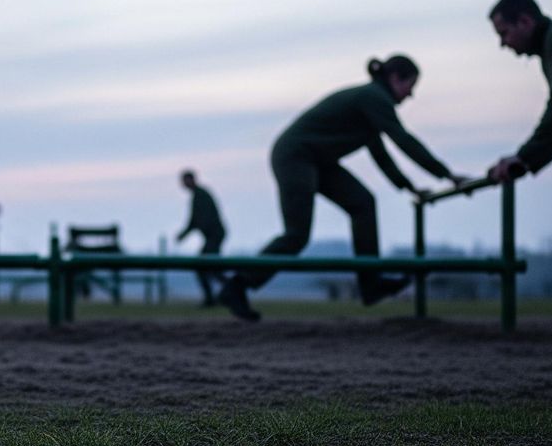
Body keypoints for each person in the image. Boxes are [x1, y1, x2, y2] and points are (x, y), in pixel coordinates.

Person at [219, 54, 466, 322]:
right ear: (395, 78)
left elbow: (381, 155)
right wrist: (447, 174)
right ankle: (237, 285)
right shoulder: (374, 97)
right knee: (296, 235)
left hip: (317, 160)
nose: (410, 96)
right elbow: (402, 140)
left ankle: (371, 285)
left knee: (363, 203)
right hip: (295, 156)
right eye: (410, 86)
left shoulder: (372, 104)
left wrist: (409, 188)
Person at [486, 0, 552, 194]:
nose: (503, 44)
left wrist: (525, 156)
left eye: (504, 33)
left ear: (525, 21)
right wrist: (527, 159)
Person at [175, 170, 227, 306]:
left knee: (205, 267)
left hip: (214, 236)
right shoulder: (198, 195)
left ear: (191, 180)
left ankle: (222, 295)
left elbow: (198, 220)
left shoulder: (200, 195)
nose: (183, 184)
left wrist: (184, 234)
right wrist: (184, 234)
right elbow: (195, 221)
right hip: (213, 236)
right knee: (211, 268)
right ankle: (225, 294)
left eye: (185, 180)